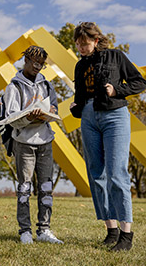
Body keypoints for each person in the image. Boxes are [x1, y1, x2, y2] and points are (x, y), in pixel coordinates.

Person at [70, 22, 146, 251]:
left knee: (116, 172)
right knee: (96, 173)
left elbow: (140, 82)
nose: (81, 48)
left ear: (95, 40)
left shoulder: (115, 56)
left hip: (114, 115)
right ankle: (111, 230)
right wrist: (77, 106)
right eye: (78, 45)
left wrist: (117, 90)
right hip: (89, 117)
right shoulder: (79, 66)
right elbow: (81, 95)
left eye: (84, 44)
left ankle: (126, 234)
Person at [3, 45, 63, 245]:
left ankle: (44, 229)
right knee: (24, 188)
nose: (38, 67)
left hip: (45, 140)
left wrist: (51, 110)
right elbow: (11, 118)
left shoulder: (46, 85)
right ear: (26, 60)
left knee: (46, 187)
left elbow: (54, 109)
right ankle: (25, 231)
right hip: (24, 142)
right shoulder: (14, 87)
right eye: (35, 62)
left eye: (42, 64)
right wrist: (29, 117)